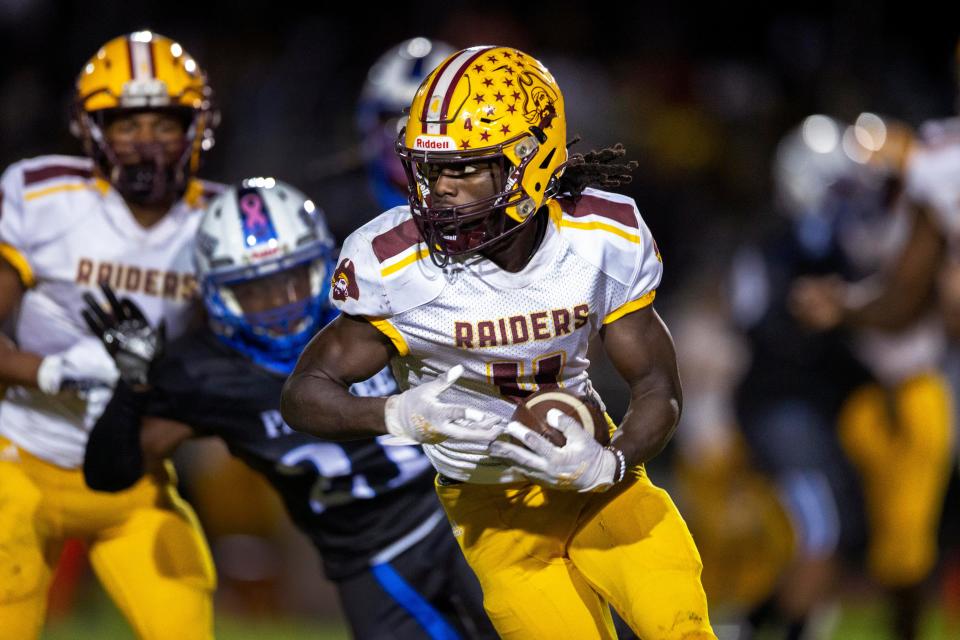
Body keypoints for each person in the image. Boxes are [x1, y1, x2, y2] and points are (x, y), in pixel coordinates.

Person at [282, 45, 715, 640]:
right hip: (493, 513)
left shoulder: (600, 236)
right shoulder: (393, 262)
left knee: (681, 630)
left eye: (466, 168)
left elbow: (657, 387)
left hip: (603, 490)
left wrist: (610, 460)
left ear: (532, 161)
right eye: (433, 170)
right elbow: (304, 393)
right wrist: (394, 412)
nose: (443, 192)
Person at [82, 178, 498, 640]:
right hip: (368, 560)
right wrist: (132, 385)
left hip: (458, 512)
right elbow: (110, 473)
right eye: (255, 291)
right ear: (216, 294)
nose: (280, 306)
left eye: (292, 280)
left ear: (324, 265)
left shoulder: (371, 310)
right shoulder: (205, 373)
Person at [0, 31, 220, 639]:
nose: (146, 143)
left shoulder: (219, 220)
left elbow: (235, 367)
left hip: (134, 474)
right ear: (92, 129)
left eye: (164, 123)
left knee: (184, 619)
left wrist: (157, 419)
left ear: (196, 127)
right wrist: (54, 369)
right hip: (19, 457)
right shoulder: (42, 195)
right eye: (125, 124)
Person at [788, 113, 954, 640]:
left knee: (904, 547)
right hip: (864, 392)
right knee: (874, 540)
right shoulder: (860, 215)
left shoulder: (923, 202)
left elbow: (905, 302)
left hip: (917, 387)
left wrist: (839, 306)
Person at [357, 37, 455, 211]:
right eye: (389, 116)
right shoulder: (335, 207)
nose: (403, 132)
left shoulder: (485, 202)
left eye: (427, 120)